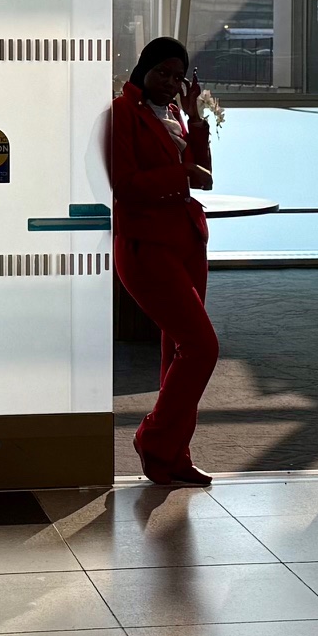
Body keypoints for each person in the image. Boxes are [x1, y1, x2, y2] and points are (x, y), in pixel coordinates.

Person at [109, 36, 217, 489]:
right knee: (202, 347)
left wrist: (195, 118)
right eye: (162, 73)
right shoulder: (122, 112)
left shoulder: (173, 114)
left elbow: (205, 177)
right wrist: (182, 174)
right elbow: (125, 184)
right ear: (143, 68)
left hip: (186, 238)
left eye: (177, 76)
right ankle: (153, 438)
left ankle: (172, 455)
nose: (170, 83)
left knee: (178, 351)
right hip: (144, 242)